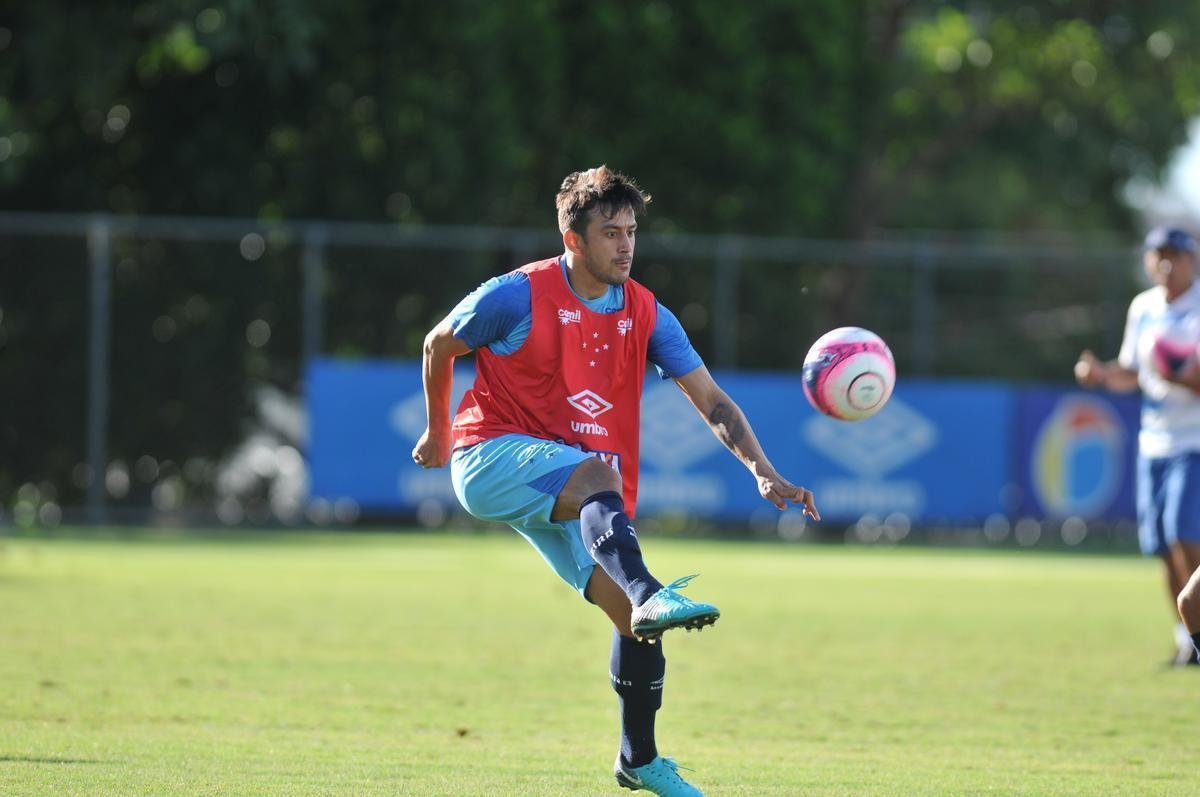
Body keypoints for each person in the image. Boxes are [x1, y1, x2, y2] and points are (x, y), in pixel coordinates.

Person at [411, 166, 819, 796]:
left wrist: (764, 474)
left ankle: (639, 760)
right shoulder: (518, 295)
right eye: (610, 232)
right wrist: (439, 432)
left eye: (631, 231)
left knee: (634, 620)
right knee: (605, 493)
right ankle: (650, 589)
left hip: (572, 484)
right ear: (573, 239)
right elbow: (440, 343)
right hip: (488, 455)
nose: (625, 244)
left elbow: (712, 402)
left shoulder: (647, 312)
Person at [1075, 226, 1200, 667]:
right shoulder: (1143, 308)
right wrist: (1101, 375)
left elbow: (1184, 377)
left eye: (1176, 255)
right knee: (1163, 546)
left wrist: (1182, 376)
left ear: (1192, 260)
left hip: (1195, 440)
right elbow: (1132, 372)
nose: (1166, 264)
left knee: (1185, 532)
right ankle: (1188, 639)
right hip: (1155, 441)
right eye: (1158, 256)